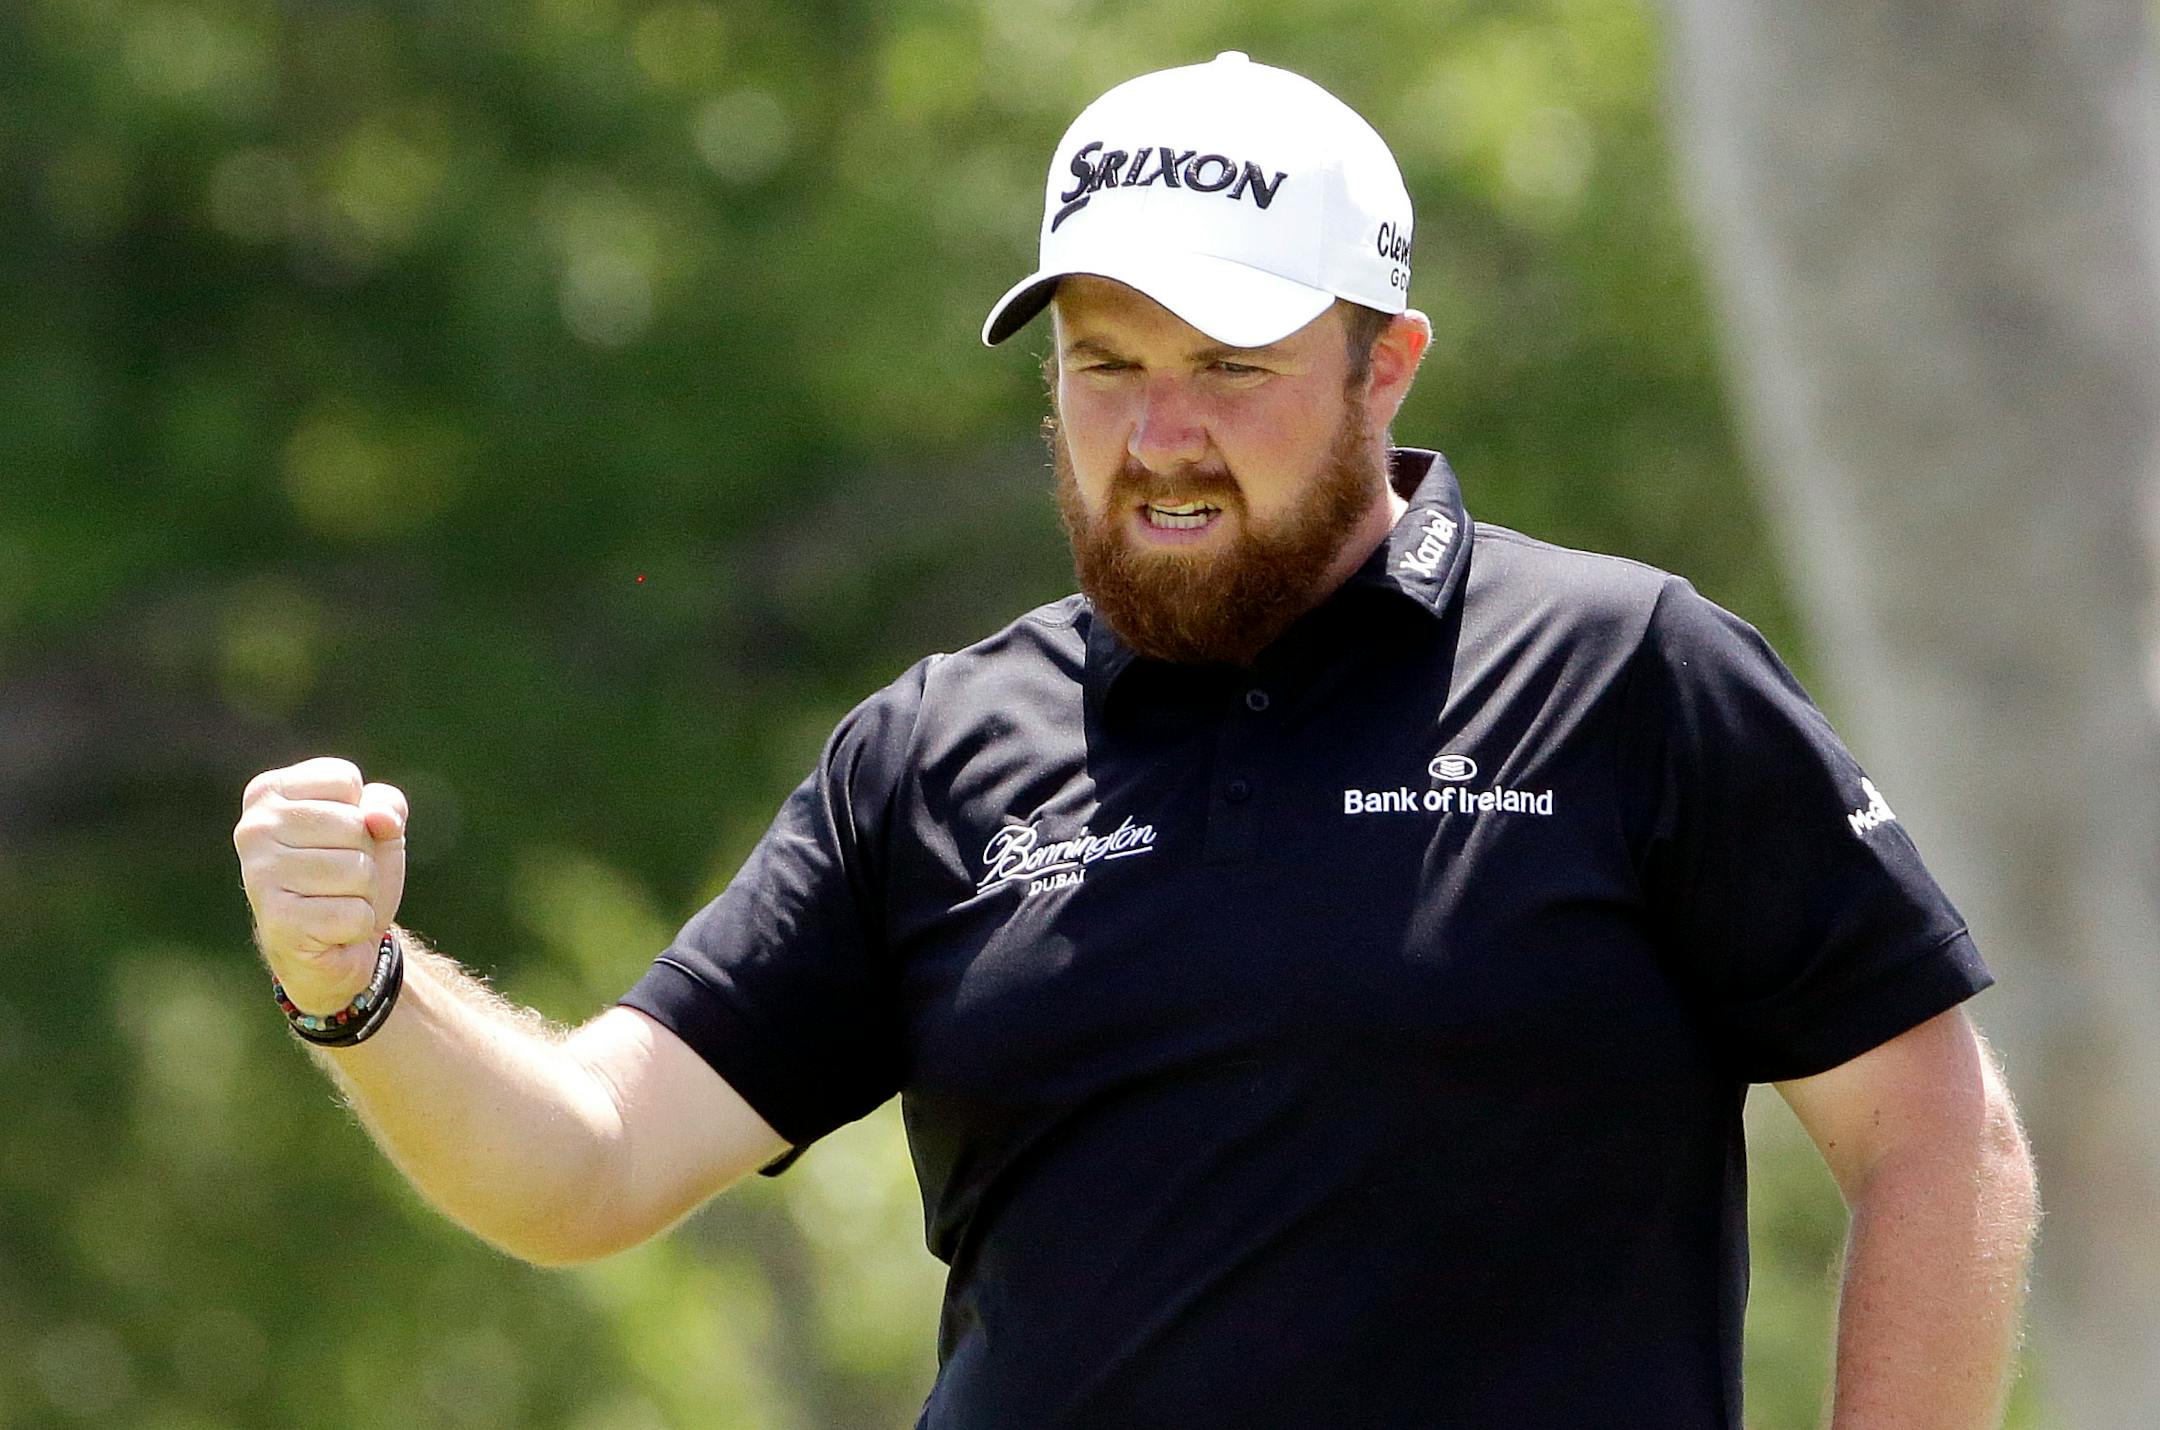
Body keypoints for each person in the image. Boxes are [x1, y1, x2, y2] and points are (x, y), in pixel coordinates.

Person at [233, 52, 2038, 1429]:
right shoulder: (935, 755)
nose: (1159, 431)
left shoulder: (1630, 674)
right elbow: (592, 1163)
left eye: (1232, 365)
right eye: (1105, 363)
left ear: (1384, 364)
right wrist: (361, 982)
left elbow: (1938, 1132)